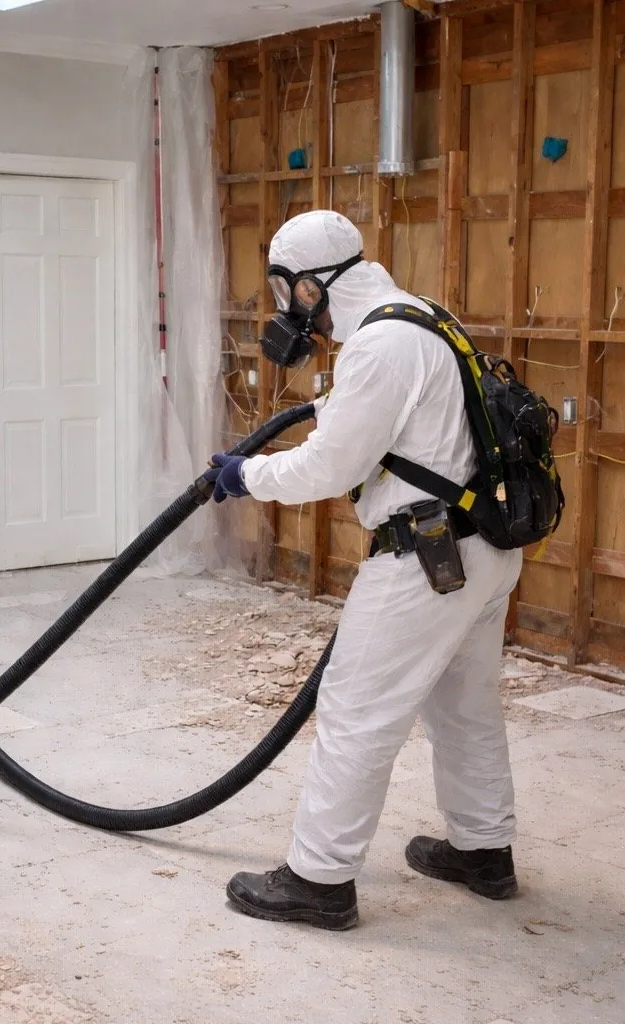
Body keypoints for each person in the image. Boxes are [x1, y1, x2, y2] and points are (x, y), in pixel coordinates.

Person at [206, 210, 523, 931]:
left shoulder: (379, 344)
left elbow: (331, 467)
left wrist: (246, 475)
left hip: (426, 560)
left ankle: (318, 881)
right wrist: (326, 404)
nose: (287, 308)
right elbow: (400, 414)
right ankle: (483, 852)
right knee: (465, 707)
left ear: (309, 287)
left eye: (285, 289)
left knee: (355, 712)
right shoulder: (422, 316)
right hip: (486, 551)